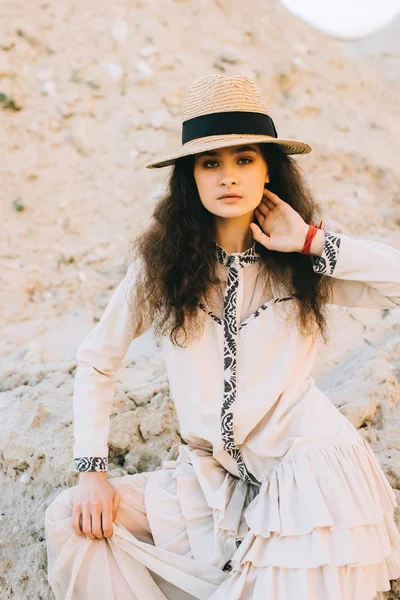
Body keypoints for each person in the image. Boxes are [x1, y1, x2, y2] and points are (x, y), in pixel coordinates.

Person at [44, 73, 400, 600]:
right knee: (70, 520)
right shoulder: (161, 268)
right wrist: (91, 471)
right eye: (211, 162)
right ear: (190, 176)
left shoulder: (303, 264)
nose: (228, 176)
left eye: (244, 159)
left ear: (268, 171)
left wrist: (308, 240)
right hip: (212, 481)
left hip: (310, 474)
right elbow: (98, 360)